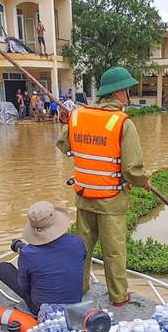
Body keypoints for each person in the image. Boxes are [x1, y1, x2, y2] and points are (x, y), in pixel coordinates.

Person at [56, 66, 148, 307]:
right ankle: (118, 297)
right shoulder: (122, 123)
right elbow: (132, 169)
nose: (128, 95)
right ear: (119, 93)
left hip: (84, 197)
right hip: (110, 200)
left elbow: (63, 145)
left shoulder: (77, 116)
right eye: (127, 90)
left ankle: (80, 288)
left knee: (82, 251)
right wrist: (143, 181)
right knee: (114, 252)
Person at [0, 201, 86, 315]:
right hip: (75, 302)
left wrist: (25, 259)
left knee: (2, 268)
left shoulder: (28, 254)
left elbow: (24, 286)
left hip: (41, 309)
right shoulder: (77, 242)